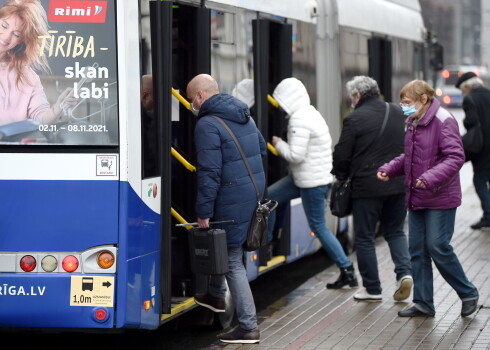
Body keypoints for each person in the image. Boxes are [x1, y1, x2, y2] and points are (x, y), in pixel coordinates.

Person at [378, 80, 479, 317]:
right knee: (418, 250)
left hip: (440, 197)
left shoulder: (444, 120)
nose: (404, 108)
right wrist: (390, 169)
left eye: (407, 103)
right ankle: (423, 302)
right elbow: (410, 157)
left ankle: (468, 292)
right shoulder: (414, 122)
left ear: (423, 99)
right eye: (402, 104)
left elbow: (455, 157)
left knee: (437, 247)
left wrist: (430, 177)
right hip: (418, 195)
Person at [186, 73, 266, 344]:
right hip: (251, 194)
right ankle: (216, 294)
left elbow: (210, 172)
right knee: (230, 252)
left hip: (230, 198)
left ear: (199, 96)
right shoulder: (244, 114)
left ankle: (248, 326)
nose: (190, 106)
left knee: (232, 260)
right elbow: (262, 149)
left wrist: (203, 211)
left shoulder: (207, 124)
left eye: (190, 100)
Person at [267, 77, 358, 290]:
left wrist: (279, 144)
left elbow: (296, 155)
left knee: (318, 226)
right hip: (304, 178)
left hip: (311, 182)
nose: (280, 106)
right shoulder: (311, 113)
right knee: (269, 198)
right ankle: (269, 241)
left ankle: (347, 270)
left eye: (281, 101)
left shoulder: (299, 118)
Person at [331, 76, 412, 302]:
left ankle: (373, 289)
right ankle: (404, 273)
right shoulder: (399, 112)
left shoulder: (354, 119)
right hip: (397, 183)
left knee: (365, 237)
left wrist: (340, 176)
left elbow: (342, 154)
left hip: (367, 187)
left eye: (352, 97)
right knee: (395, 231)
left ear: (358, 96)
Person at [0, 0, 75, 127]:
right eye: (4, 26)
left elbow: (40, 120)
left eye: (16, 34)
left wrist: (58, 108)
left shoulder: (28, 77)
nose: (7, 37)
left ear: (21, 40)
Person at [456, 72, 490, 230]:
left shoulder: (470, 99)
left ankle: (488, 215)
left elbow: (471, 122)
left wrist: (465, 121)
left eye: (463, 90)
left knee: (479, 180)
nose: (463, 93)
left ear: (467, 86)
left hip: (482, 148)